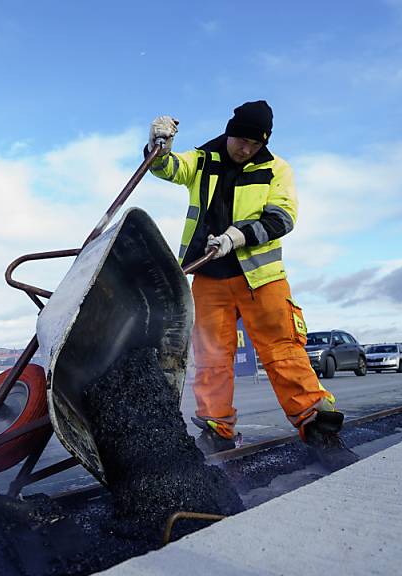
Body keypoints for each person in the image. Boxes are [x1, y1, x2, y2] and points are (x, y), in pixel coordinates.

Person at [147, 101, 357, 470]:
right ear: (230, 131)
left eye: (254, 144)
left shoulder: (276, 169)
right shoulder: (203, 159)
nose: (245, 150)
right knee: (211, 357)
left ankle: (317, 426)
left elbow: (282, 217)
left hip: (262, 278)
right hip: (208, 276)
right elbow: (168, 169)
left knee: (283, 351)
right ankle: (217, 429)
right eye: (240, 140)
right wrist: (158, 146)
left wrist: (238, 236)